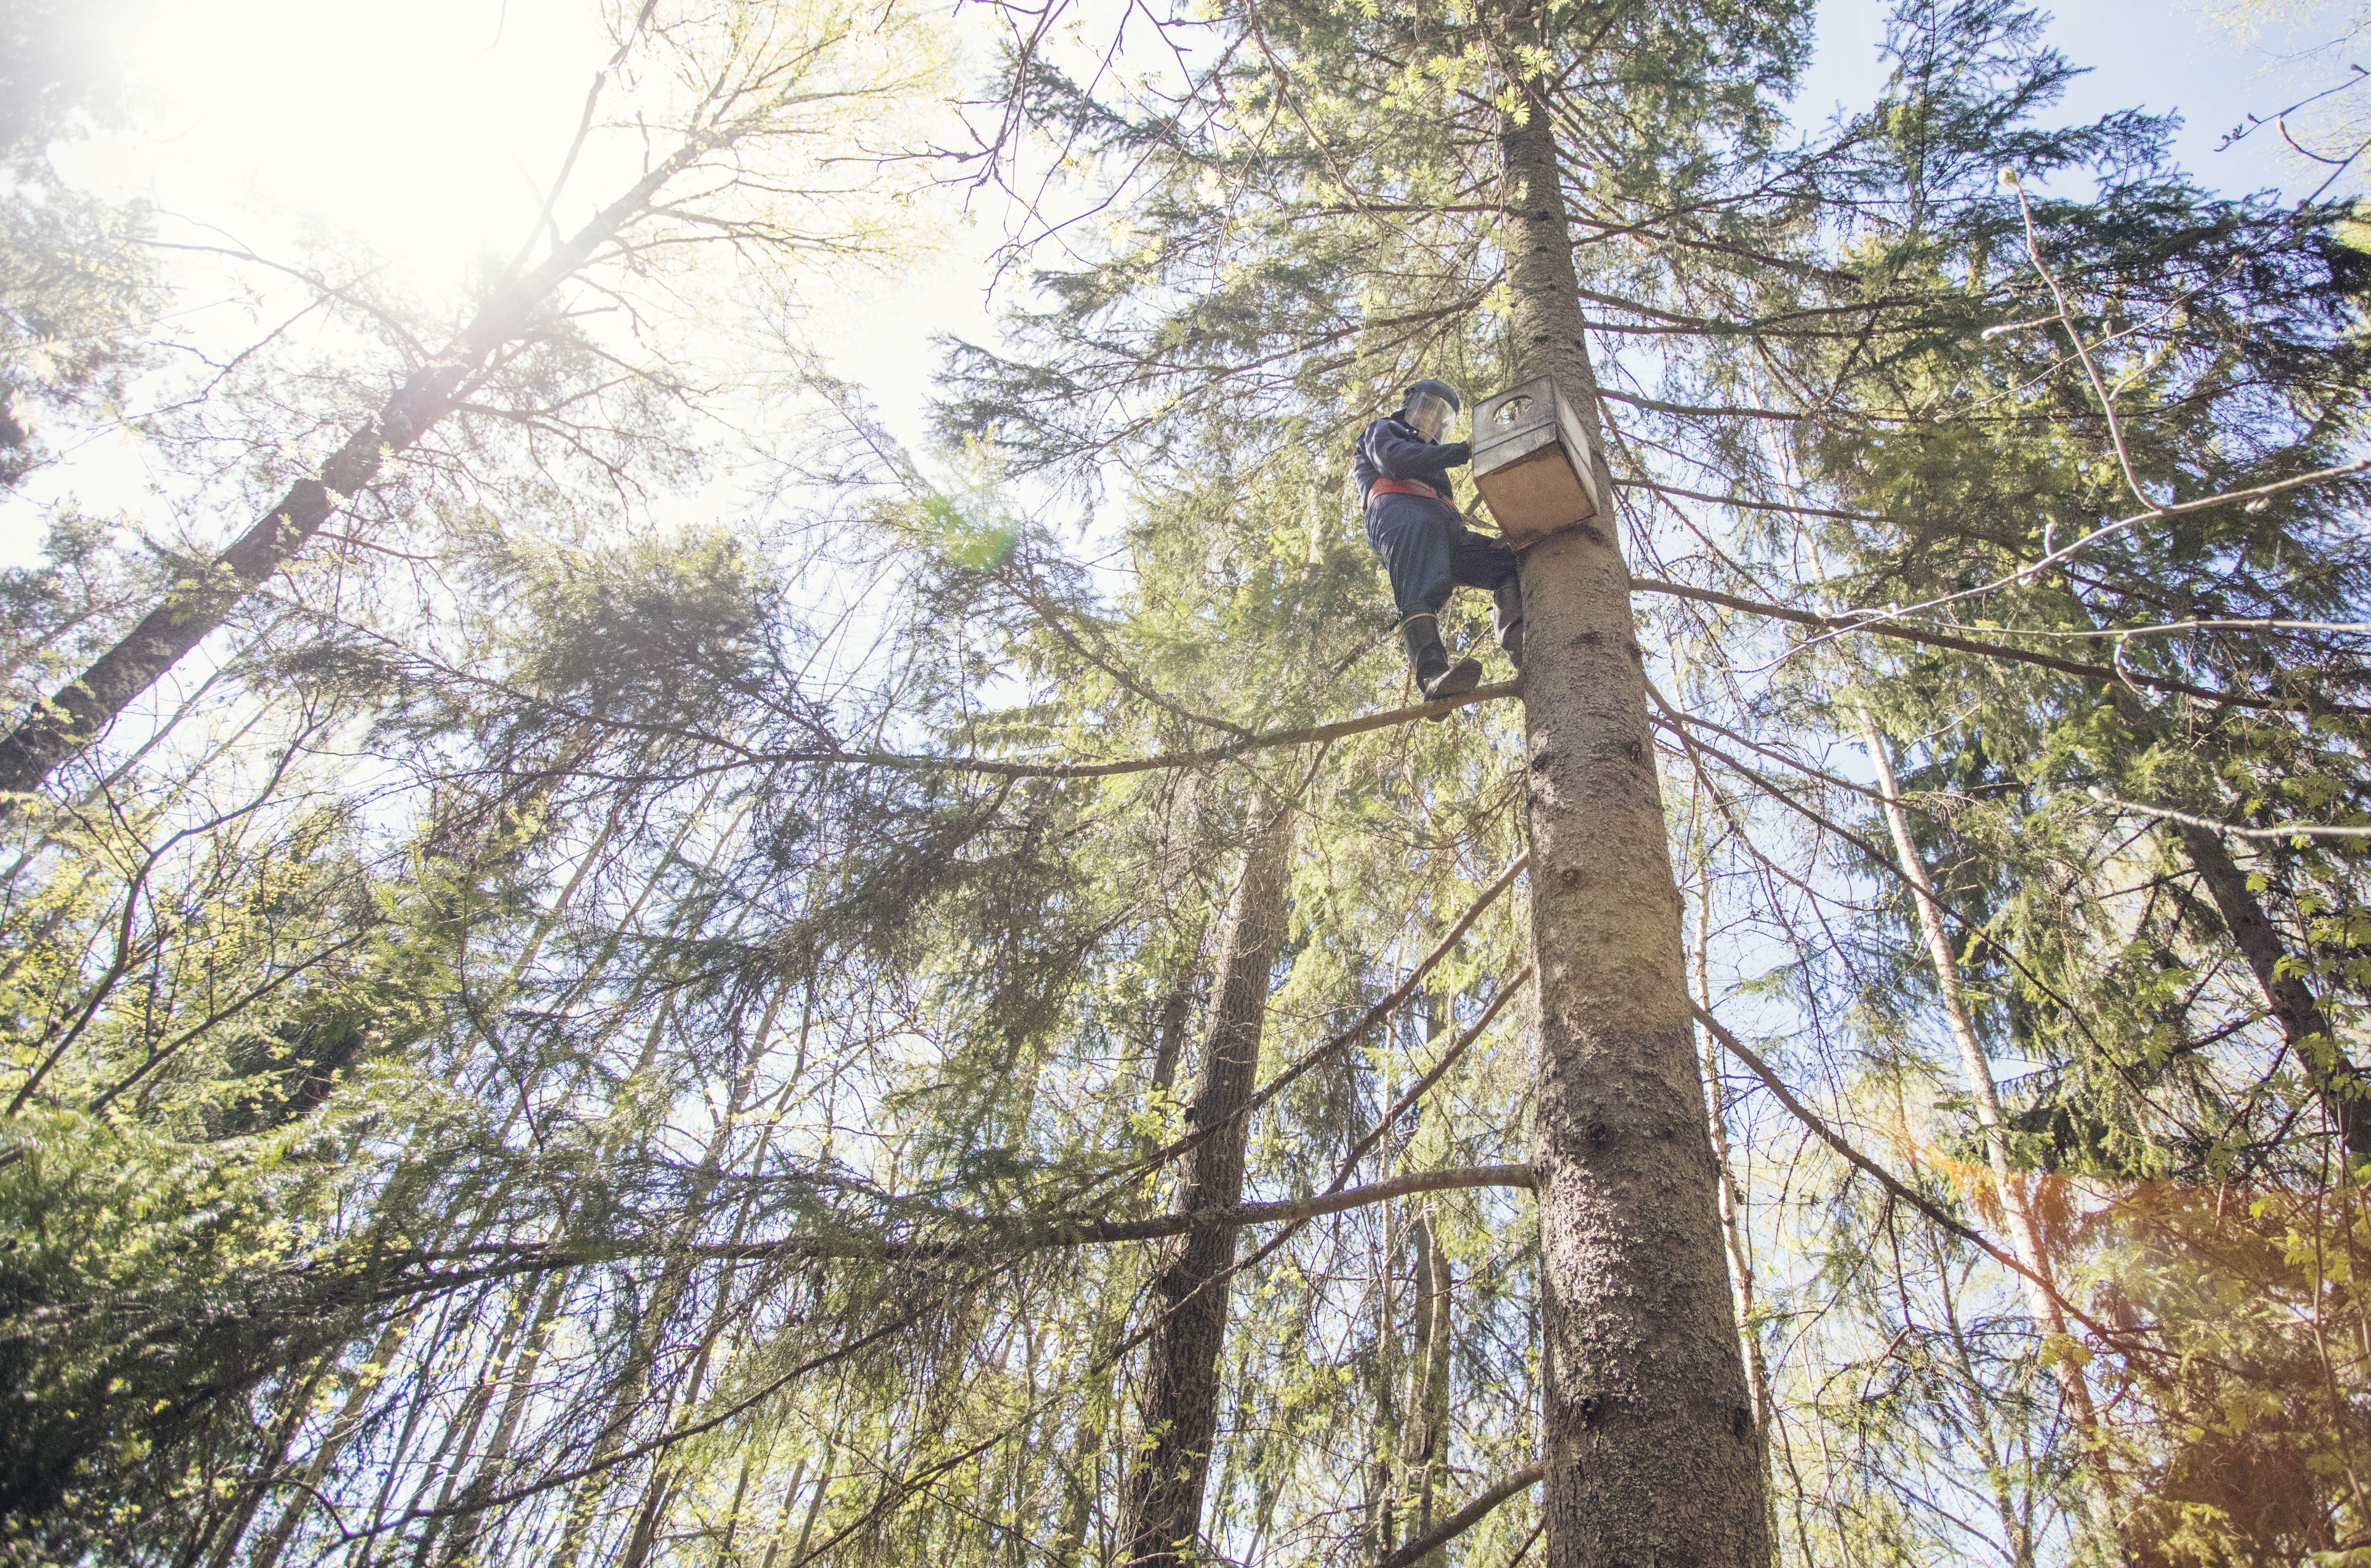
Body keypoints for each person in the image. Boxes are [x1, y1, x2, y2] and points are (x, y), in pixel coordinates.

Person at [1353, 379, 1523, 709]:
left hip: (1444, 526)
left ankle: (1523, 645)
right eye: (1427, 408)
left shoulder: (1431, 456)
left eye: (1438, 417)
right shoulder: (1382, 430)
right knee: (1418, 590)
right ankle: (1433, 678)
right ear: (1410, 405)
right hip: (1399, 511)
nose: (1431, 419)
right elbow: (1395, 461)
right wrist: (1462, 451)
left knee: (1508, 563)